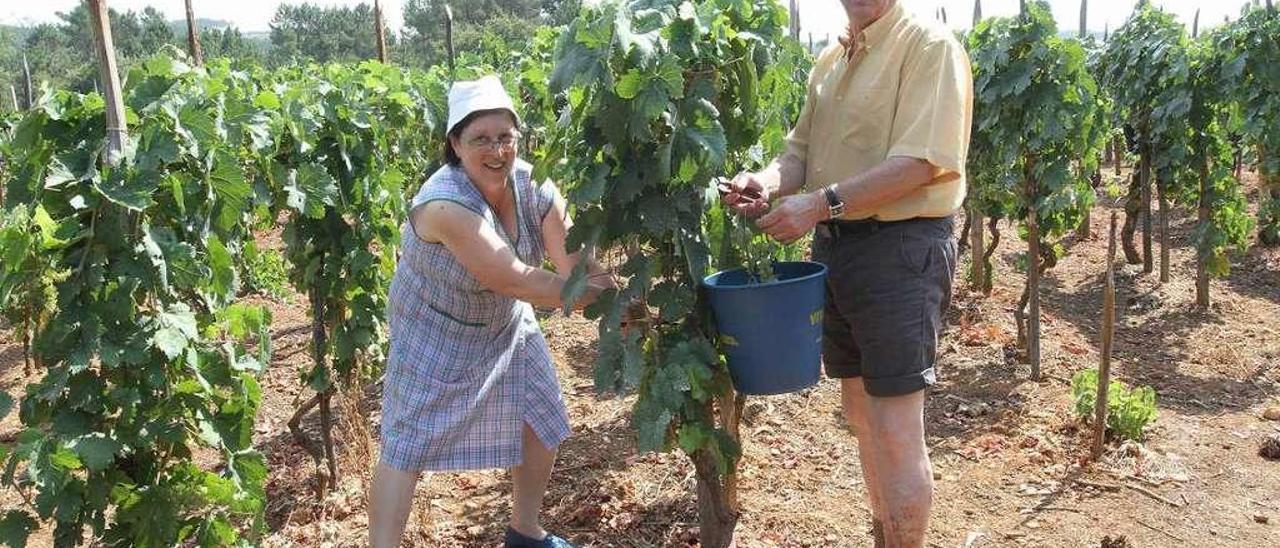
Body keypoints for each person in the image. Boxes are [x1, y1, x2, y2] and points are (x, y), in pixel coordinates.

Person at [722, 1, 972, 546]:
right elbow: (800, 153)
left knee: (895, 428)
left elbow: (921, 163)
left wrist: (819, 205)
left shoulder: (928, 47)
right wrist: (766, 182)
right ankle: (886, 533)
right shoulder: (831, 58)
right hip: (837, 249)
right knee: (861, 414)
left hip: (900, 252)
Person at [369, 75, 610, 548]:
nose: (497, 150)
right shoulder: (445, 205)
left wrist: (610, 292)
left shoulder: (535, 187)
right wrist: (593, 298)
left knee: (541, 414)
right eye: (481, 139)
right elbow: (515, 278)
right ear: (455, 144)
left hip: (505, 320)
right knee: (406, 445)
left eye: (506, 137)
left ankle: (525, 531)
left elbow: (574, 265)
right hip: (434, 327)